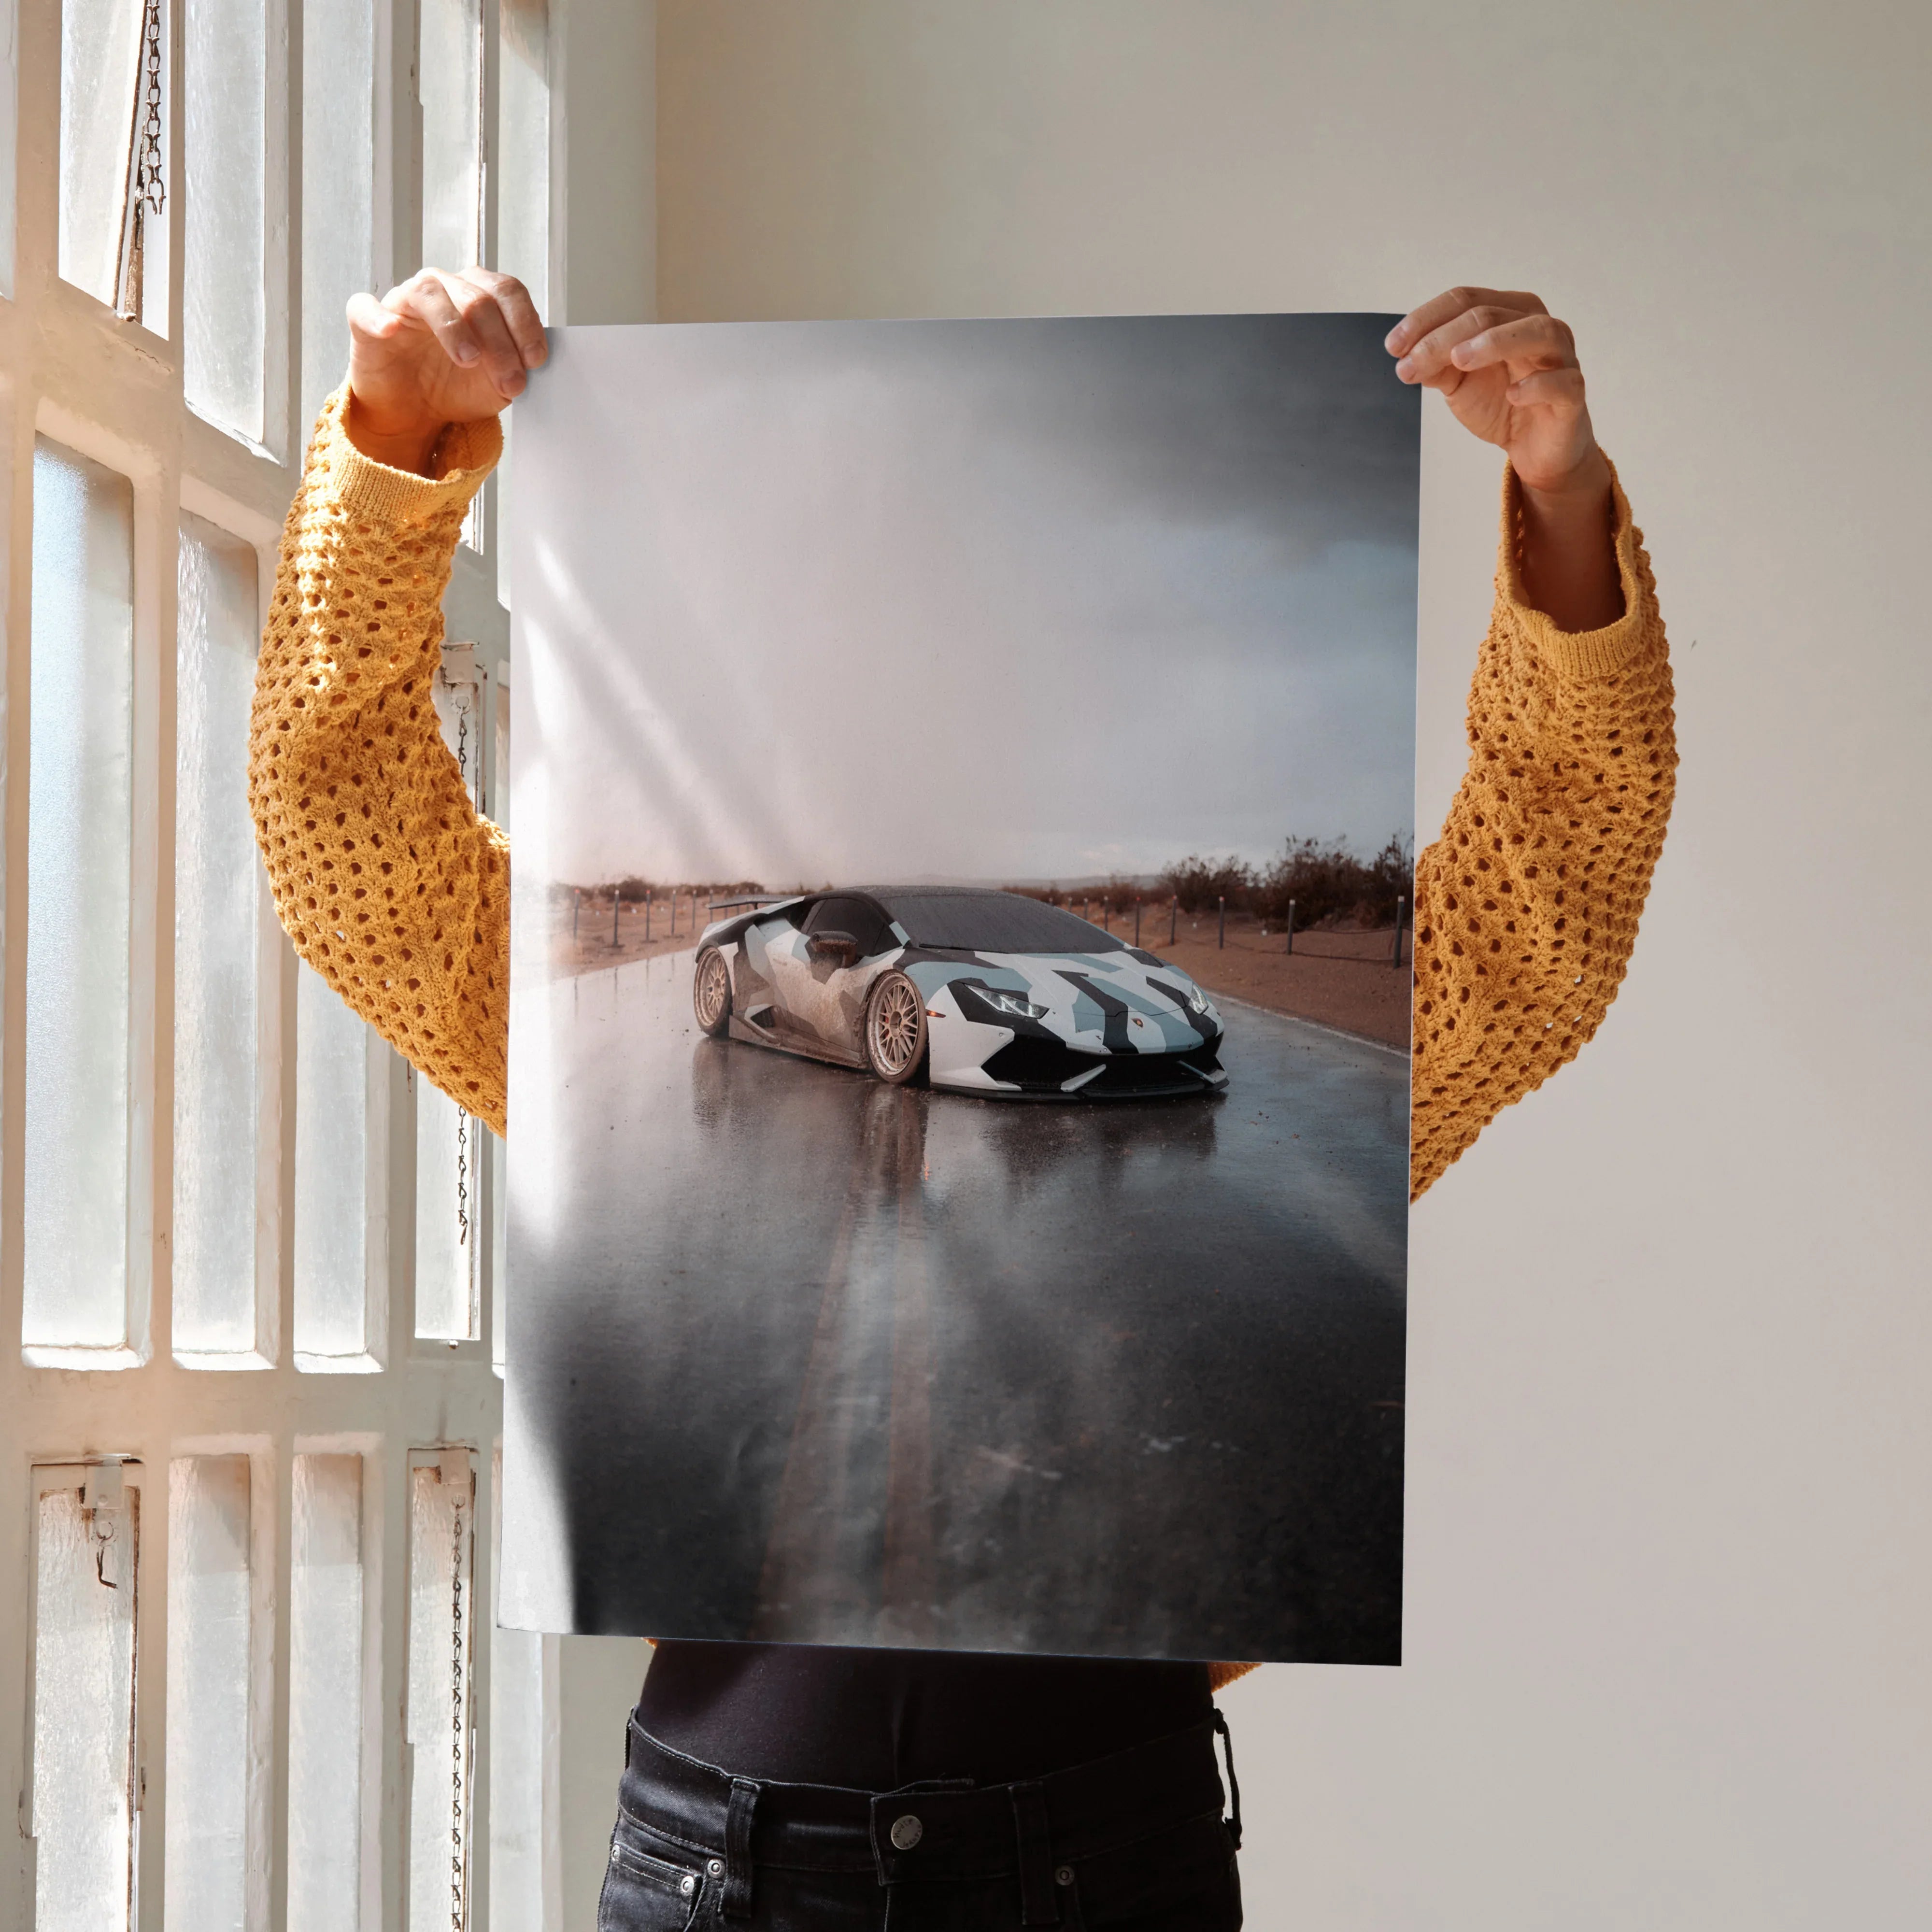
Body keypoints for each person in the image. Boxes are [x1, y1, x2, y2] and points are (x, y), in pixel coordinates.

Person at [250, 272, 1675, 1930]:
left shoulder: (1158, 1013)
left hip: (1106, 1852)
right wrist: (392, 444)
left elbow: (1541, 919)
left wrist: (1561, 497)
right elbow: (346, 837)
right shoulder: (641, 1027)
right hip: (732, 1863)